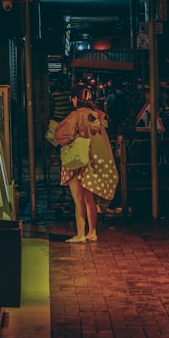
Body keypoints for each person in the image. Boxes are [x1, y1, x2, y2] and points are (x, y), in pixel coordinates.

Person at [54, 84, 119, 243]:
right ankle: (92, 232)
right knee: (89, 199)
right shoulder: (97, 116)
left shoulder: (76, 115)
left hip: (78, 161)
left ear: (75, 99)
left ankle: (80, 234)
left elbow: (60, 134)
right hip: (92, 162)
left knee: (78, 199)